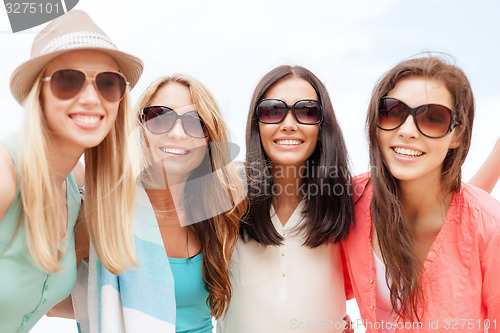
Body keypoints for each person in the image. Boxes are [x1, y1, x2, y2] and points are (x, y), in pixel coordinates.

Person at [0, 10, 142, 333]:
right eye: (68, 80)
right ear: (39, 94)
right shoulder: (6, 175)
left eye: (108, 83)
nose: (92, 99)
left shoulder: (76, 189)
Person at [72, 74, 247, 333]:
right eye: (160, 117)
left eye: (195, 122)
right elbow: (50, 297)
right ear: (140, 127)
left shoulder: (223, 211)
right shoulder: (103, 205)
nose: (176, 133)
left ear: (209, 138)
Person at [342, 56, 500, 332]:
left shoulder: (489, 226)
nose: (407, 131)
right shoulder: (349, 202)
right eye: (392, 111)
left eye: (432, 119)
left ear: (457, 136)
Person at [218, 65, 355, 333]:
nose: (289, 125)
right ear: (256, 123)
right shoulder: (227, 194)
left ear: (322, 125)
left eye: (307, 112)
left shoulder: (348, 201)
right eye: (272, 111)